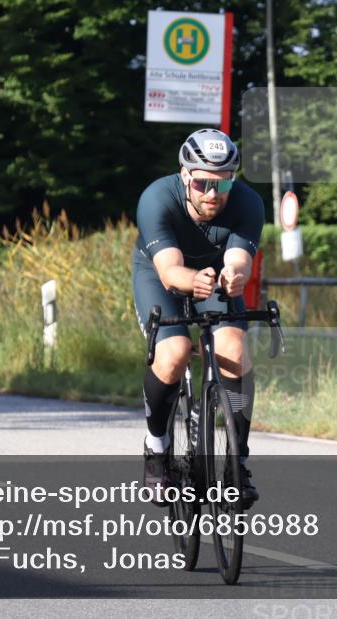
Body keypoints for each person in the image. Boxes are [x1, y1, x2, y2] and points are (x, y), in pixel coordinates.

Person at [132, 128, 264, 506]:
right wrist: (192, 281)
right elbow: (171, 271)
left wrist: (236, 276)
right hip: (162, 274)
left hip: (215, 276)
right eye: (203, 183)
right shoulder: (157, 198)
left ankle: (237, 461)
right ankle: (156, 448)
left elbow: (239, 259)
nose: (212, 195)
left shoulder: (248, 203)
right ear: (185, 175)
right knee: (174, 352)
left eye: (222, 187)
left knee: (234, 349)